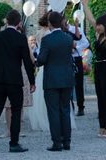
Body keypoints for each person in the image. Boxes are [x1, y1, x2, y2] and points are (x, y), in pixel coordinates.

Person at [0, 9, 35, 154]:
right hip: (14, 80)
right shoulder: (21, 38)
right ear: (18, 23)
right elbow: (27, 61)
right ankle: (14, 143)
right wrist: (32, 81)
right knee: (16, 111)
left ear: (6, 21)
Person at [37, 11, 75, 152]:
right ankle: (67, 141)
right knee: (65, 110)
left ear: (50, 23)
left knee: (53, 111)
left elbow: (41, 60)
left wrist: (35, 60)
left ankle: (57, 142)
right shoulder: (68, 38)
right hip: (66, 78)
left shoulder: (47, 40)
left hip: (52, 79)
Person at [81, 0, 106, 138]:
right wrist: (85, 5)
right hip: (98, 67)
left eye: (100, 25)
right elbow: (91, 19)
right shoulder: (98, 35)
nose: (97, 27)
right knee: (100, 98)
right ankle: (101, 125)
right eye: (97, 25)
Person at [27, 13, 51, 132]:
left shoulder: (38, 33)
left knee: (41, 93)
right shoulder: (48, 34)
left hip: (41, 66)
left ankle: (43, 116)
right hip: (48, 64)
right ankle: (48, 118)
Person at [68, 20, 89, 117]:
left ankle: (81, 107)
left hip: (76, 58)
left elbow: (86, 43)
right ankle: (69, 106)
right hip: (66, 58)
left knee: (79, 83)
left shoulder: (77, 30)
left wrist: (76, 48)